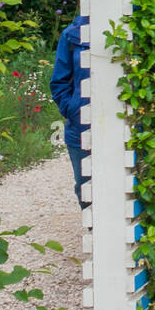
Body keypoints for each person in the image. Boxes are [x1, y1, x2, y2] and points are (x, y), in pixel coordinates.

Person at [50, 13, 90, 205]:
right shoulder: (71, 35)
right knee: (85, 187)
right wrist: (73, 109)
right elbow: (59, 82)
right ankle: (95, 233)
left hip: (126, 127)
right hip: (80, 128)